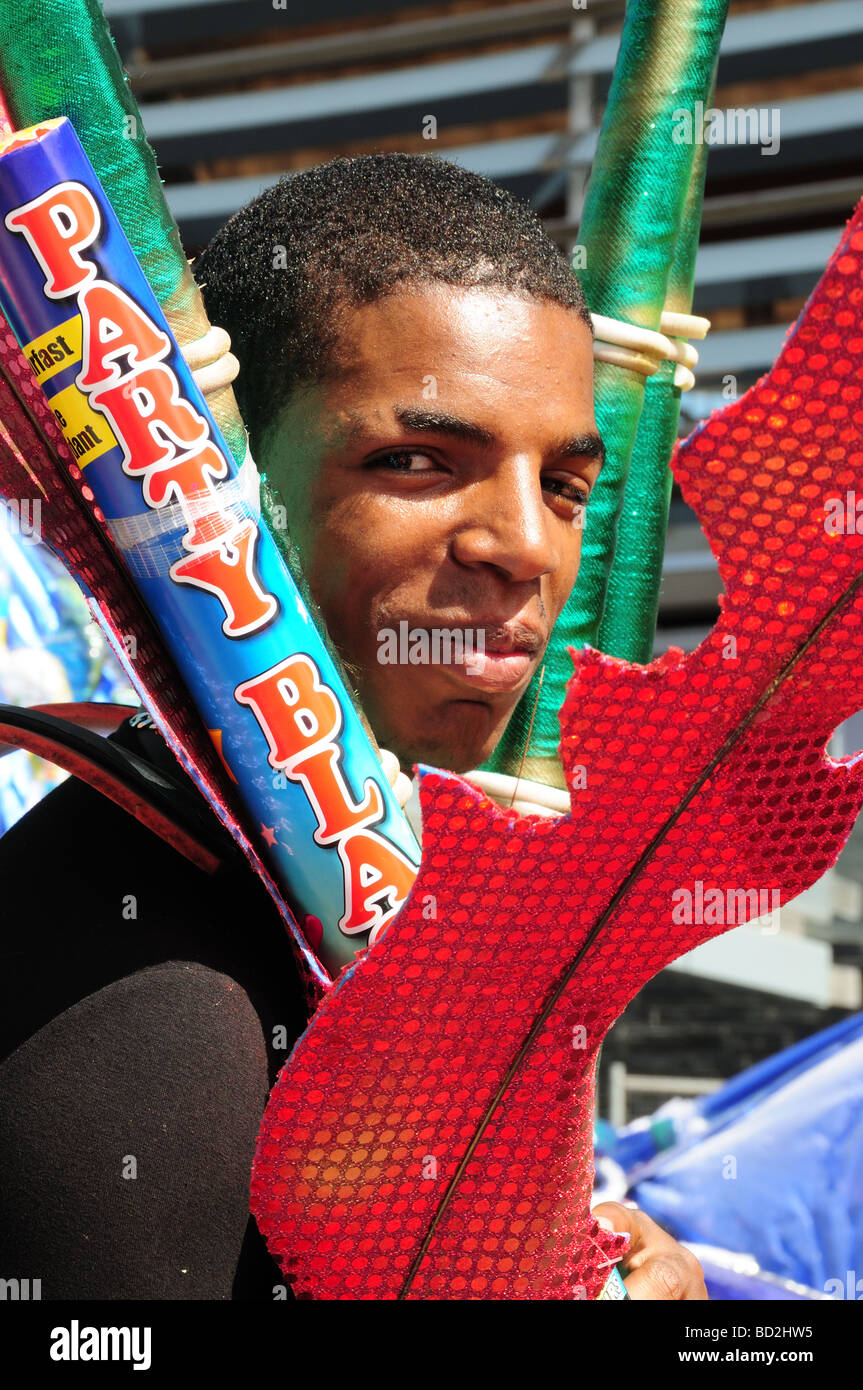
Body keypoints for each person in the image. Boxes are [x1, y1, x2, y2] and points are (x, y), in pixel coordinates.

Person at [0, 153, 705, 1301]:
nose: (525, 546)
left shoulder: (412, 899)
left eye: (565, 486)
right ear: (230, 477)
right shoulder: (148, 991)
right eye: (417, 461)